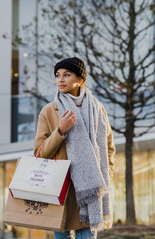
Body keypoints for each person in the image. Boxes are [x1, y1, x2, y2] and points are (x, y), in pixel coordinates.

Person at [34, 57, 116, 239]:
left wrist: (103, 175)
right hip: (61, 191)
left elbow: (109, 148)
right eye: (57, 75)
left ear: (80, 80)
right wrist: (60, 130)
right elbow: (39, 154)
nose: (60, 80)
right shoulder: (50, 111)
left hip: (89, 191)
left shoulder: (98, 109)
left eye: (66, 75)